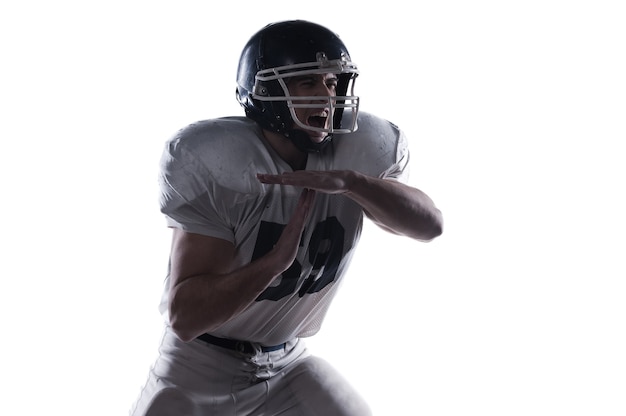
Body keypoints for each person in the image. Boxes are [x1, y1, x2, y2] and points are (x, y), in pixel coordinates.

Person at [130, 20, 443, 416]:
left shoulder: (355, 155)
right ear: (266, 94)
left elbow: (431, 225)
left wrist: (353, 183)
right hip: (198, 369)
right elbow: (187, 317)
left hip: (288, 362)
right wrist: (273, 264)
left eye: (331, 83)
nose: (327, 98)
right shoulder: (221, 162)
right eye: (307, 84)